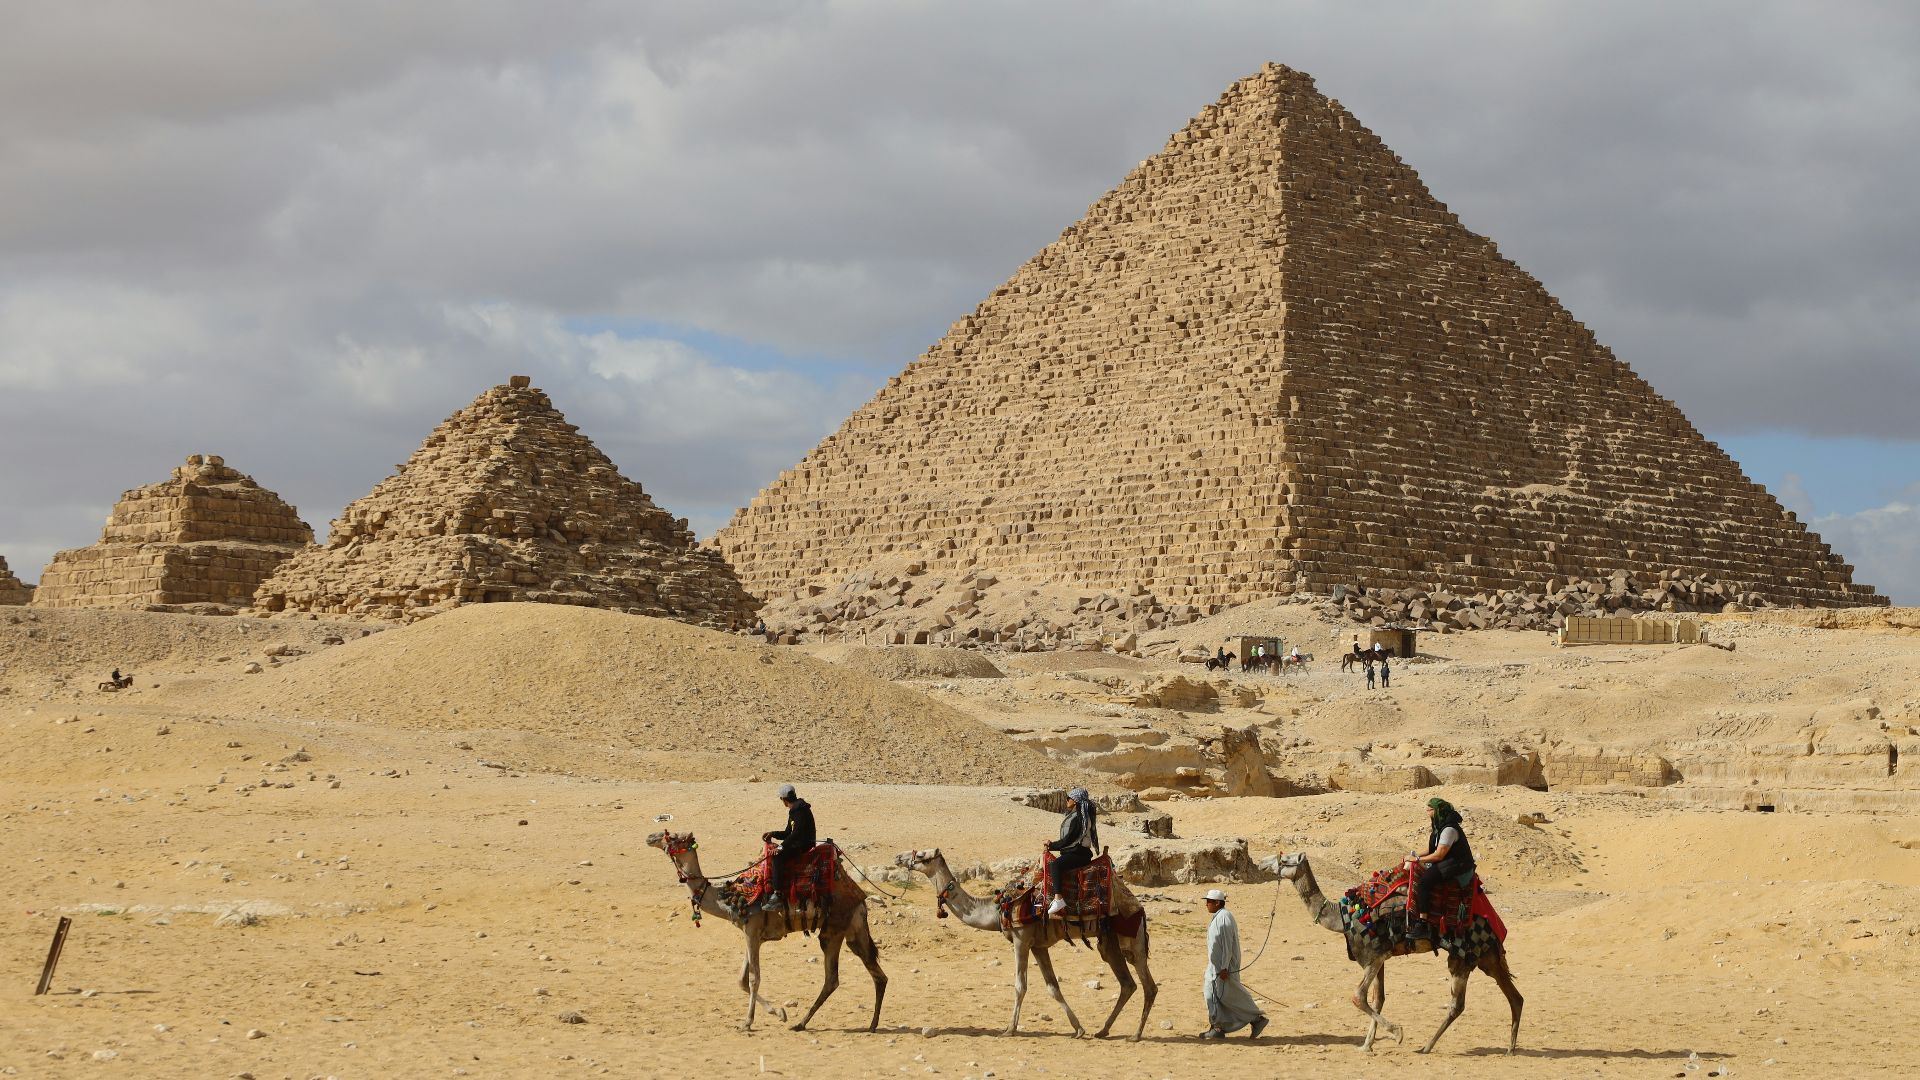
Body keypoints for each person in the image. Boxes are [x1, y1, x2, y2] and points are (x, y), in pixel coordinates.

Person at [1200, 889, 1267, 1039]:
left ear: (1217, 903)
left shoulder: (1224, 918)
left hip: (1223, 968)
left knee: (1229, 996)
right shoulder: (1219, 917)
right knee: (1215, 994)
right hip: (1215, 967)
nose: (1206, 904)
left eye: (1209, 901)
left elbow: (1227, 945)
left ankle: (1256, 1020)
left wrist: (1224, 967)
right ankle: (1218, 1027)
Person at [1408, 797, 1475, 939]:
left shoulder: (1449, 829)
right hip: (1448, 861)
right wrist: (1412, 855)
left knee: (1424, 881)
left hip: (1457, 864)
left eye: (1430, 809)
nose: (1427, 812)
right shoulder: (1440, 827)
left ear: (1438, 811)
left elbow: (1438, 855)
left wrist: (1418, 859)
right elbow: (1431, 848)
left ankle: (1422, 923)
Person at [760, 784, 815, 911]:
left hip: (803, 845)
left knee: (777, 858)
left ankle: (777, 895)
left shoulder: (799, 810)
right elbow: (787, 833)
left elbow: (796, 834)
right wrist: (773, 833)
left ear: (784, 800)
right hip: (798, 843)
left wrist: (780, 848)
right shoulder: (796, 809)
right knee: (776, 851)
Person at [1045, 787, 1099, 916]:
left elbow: (1070, 839)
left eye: (1068, 798)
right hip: (1072, 853)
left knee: (1055, 865)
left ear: (1075, 800)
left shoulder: (1080, 818)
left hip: (1079, 854)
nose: (1066, 800)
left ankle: (1058, 899)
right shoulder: (1075, 815)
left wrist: (1052, 845)